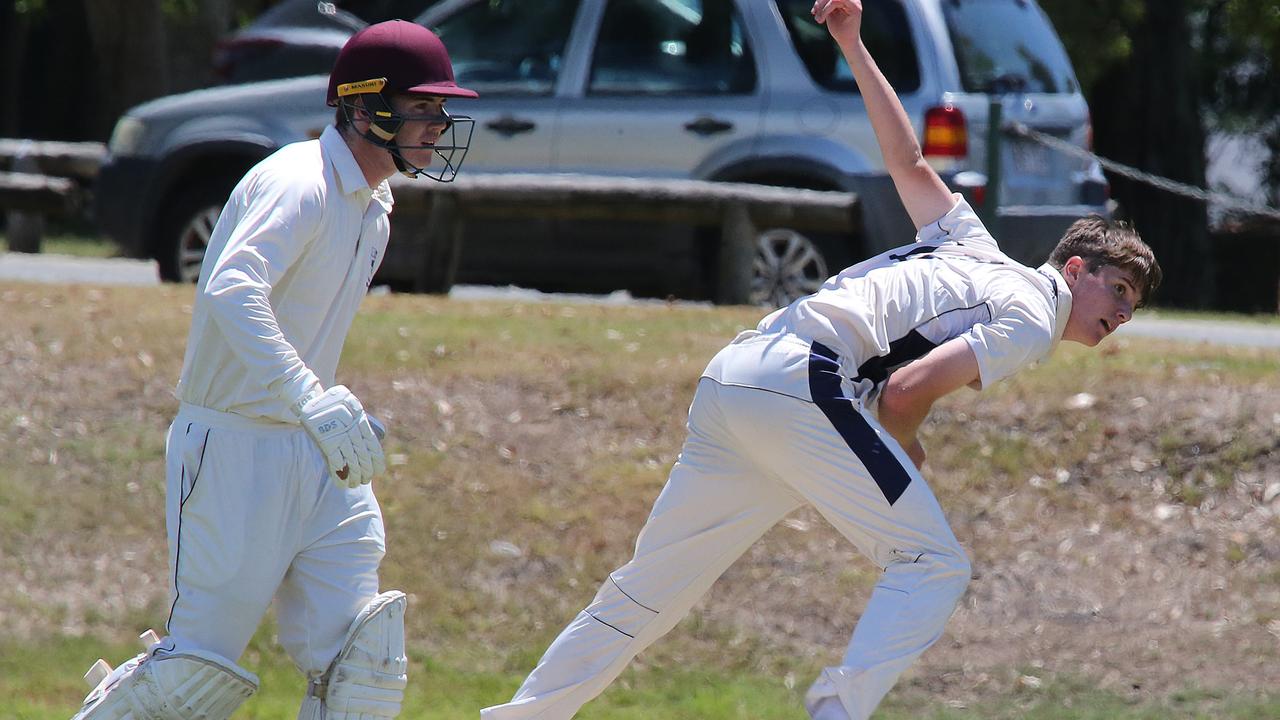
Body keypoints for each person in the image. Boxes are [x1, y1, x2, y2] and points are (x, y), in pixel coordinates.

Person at [480, 1, 1161, 718]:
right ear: (1075, 268)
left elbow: (907, 159)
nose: (1118, 313)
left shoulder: (969, 242)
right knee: (934, 564)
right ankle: (836, 711)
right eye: (1115, 289)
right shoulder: (1031, 313)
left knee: (647, 593)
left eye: (1131, 306)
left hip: (737, 378)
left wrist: (850, 41)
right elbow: (904, 392)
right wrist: (908, 455)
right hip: (802, 389)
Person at [70, 20, 476, 720]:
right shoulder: (299, 182)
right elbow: (230, 287)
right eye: (421, 107)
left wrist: (316, 408)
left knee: (363, 662)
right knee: (193, 680)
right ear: (361, 106)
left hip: (312, 452)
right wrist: (306, 393)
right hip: (233, 449)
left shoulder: (373, 206)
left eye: (440, 109)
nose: (438, 124)